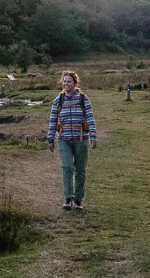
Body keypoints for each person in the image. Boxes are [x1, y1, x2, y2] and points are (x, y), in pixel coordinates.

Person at [47, 70, 97, 210]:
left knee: (80, 170)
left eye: (69, 81)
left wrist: (93, 136)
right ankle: (68, 199)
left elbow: (91, 118)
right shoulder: (58, 100)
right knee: (67, 167)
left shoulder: (83, 99)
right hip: (64, 140)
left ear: (75, 83)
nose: (66, 84)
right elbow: (53, 121)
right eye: (64, 81)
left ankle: (78, 200)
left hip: (81, 140)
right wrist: (50, 139)